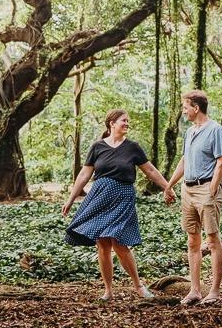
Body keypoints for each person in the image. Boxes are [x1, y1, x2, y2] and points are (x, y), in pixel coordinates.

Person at [63, 109, 176, 301]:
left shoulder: (133, 147)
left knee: (119, 243)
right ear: (111, 123)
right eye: (123, 121)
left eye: (127, 121)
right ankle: (108, 290)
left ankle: (139, 286)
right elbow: (84, 175)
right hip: (99, 197)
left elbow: (149, 170)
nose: (127, 124)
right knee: (102, 244)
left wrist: (168, 187)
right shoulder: (97, 147)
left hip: (122, 197)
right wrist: (71, 198)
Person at [165, 89, 222, 306]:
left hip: (206, 189)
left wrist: (212, 188)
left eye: (185, 107)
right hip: (187, 190)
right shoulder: (190, 132)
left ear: (196, 108)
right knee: (193, 240)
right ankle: (194, 290)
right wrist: (170, 185)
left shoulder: (215, 130)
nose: (183, 112)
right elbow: (185, 160)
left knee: (212, 240)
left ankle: (214, 291)